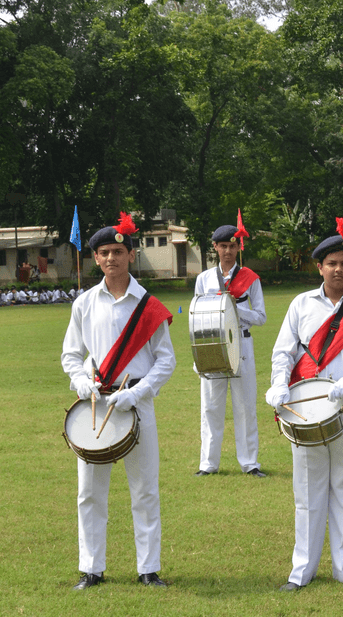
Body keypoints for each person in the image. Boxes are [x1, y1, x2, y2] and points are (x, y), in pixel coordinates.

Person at [266, 220, 343, 591]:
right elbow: (283, 353)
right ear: (319, 267)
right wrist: (276, 385)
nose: (338, 269)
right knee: (307, 489)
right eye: (331, 263)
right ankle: (301, 570)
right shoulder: (301, 304)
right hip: (306, 409)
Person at [60, 213, 176, 589]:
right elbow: (71, 355)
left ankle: (149, 569)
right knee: (89, 491)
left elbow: (166, 359)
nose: (112, 258)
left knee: (144, 489)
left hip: (137, 402)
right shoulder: (84, 304)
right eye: (105, 252)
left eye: (118, 251)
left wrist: (138, 393)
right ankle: (91, 568)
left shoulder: (149, 305)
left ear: (131, 254)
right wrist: (80, 382)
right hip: (96, 405)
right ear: (96, 258)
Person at [193, 224, 268, 477]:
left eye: (232, 246)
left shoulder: (251, 278)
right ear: (215, 247)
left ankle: (250, 463)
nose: (227, 251)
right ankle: (208, 464)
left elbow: (261, 317)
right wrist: (198, 356)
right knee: (210, 407)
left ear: (238, 247)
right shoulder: (203, 279)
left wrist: (234, 308)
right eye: (222, 246)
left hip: (242, 344)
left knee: (245, 407)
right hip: (211, 344)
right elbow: (196, 318)